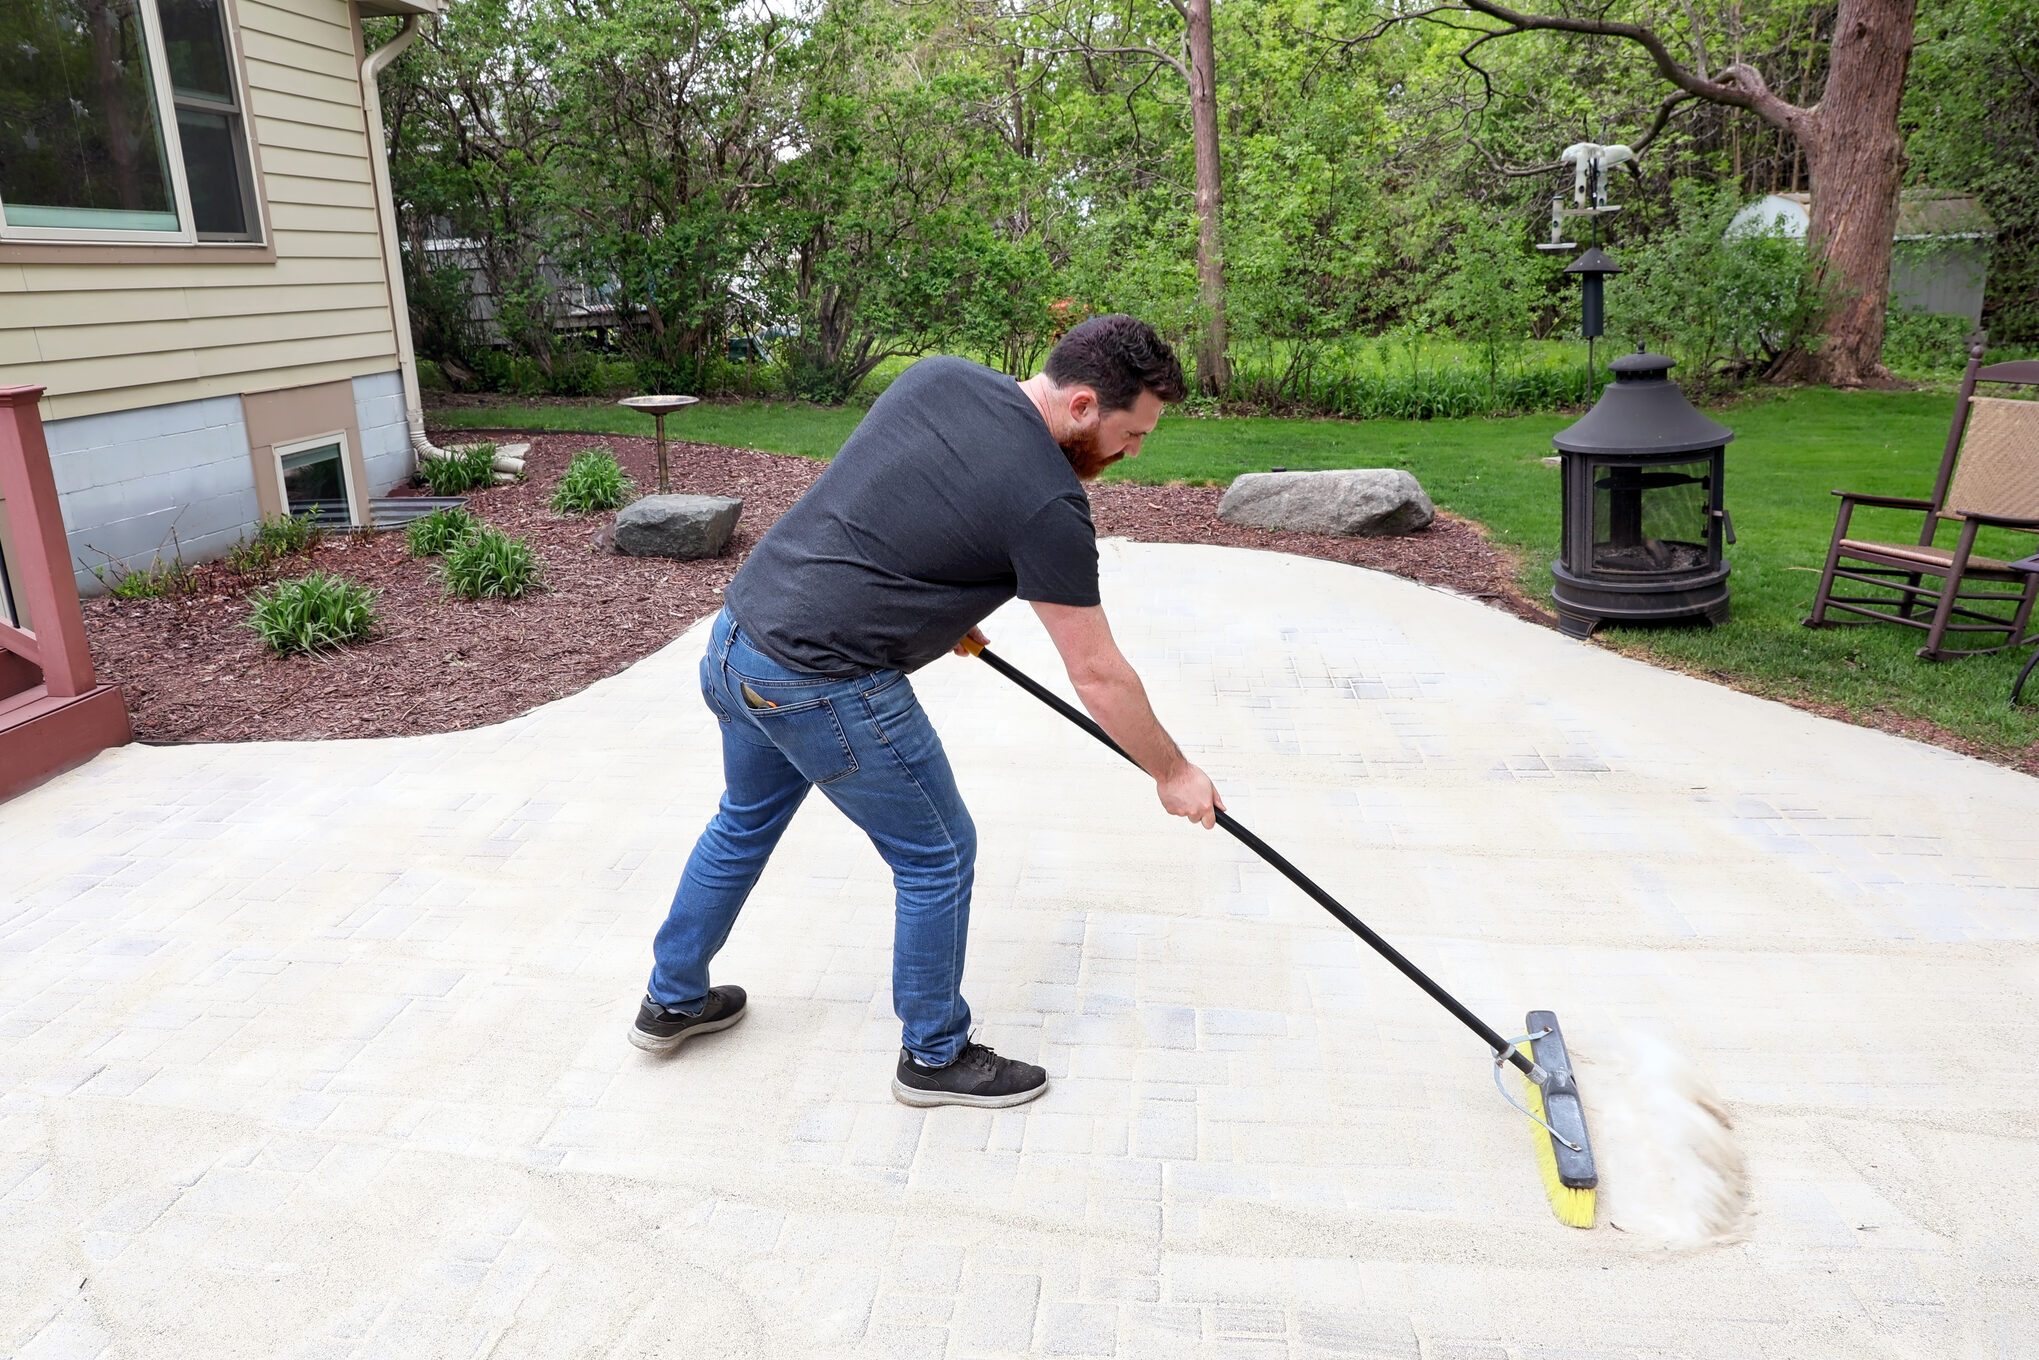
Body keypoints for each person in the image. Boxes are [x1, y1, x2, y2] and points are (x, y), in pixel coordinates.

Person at [631, 315, 1225, 1109]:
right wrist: (1172, 772)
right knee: (937, 855)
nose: (1132, 453)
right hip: (823, 681)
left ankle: (670, 1000)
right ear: (1083, 404)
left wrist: (936, 606)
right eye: (1131, 433)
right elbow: (1098, 674)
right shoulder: (1049, 503)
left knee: (742, 821)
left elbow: (894, 500)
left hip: (739, 641)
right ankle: (935, 1055)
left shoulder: (941, 375)